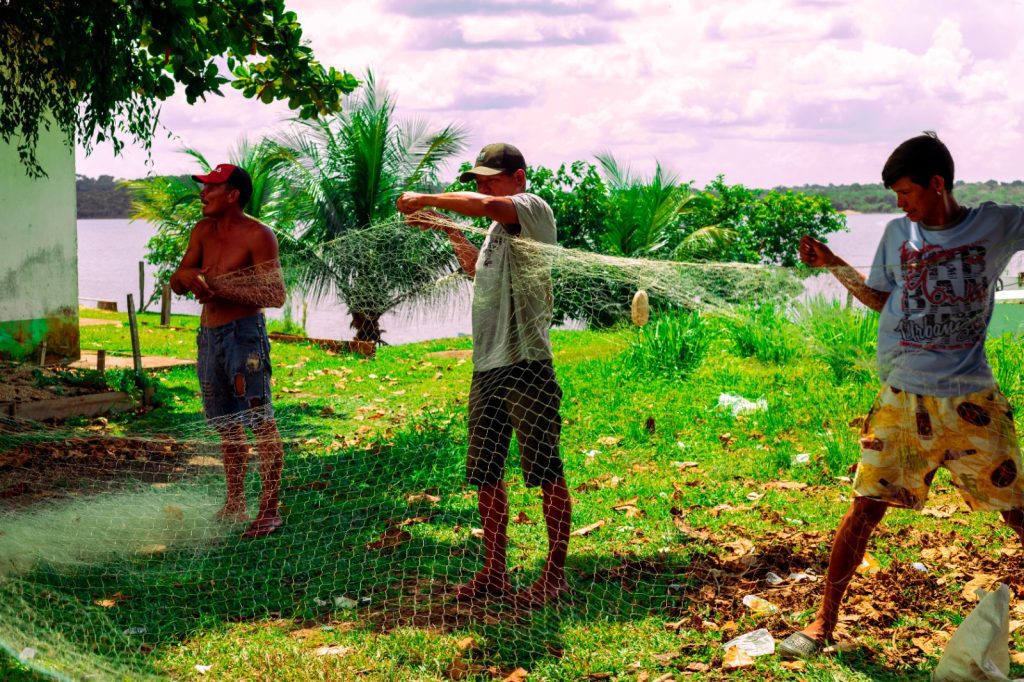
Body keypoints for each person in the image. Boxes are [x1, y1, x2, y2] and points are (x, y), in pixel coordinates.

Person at [779, 132, 1024, 658]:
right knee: (864, 508)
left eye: (907, 192)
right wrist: (833, 263)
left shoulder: (997, 224)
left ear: (938, 184)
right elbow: (879, 299)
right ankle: (823, 623)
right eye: (895, 195)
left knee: (1018, 511)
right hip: (901, 400)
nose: (900, 204)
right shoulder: (896, 233)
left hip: (970, 400)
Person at [396, 143, 572, 608]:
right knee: (486, 474)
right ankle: (494, 571)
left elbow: (494, 205)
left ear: (519, 178)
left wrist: (431, 199)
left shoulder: (531, 210)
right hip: (487, 368)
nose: (483, 186)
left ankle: (555, 576)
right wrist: (451, 230)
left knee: (545, 470)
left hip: (526, 364)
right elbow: (479, 270)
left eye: (493, 178)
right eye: (479, 179)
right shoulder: (496, 231)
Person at [170, 163, 287, 539]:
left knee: (259, 420)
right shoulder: (202, 230)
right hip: (209, 337)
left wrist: (219, 287)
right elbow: (177, 282)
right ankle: (235, 502)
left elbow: (274, 295)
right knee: (225, 425)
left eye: (211, 187)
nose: (203, 193)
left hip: (244, 337)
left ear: (232, 194)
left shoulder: (259, 234)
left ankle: (269, 509)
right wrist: (185, 277)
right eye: (203, 187)